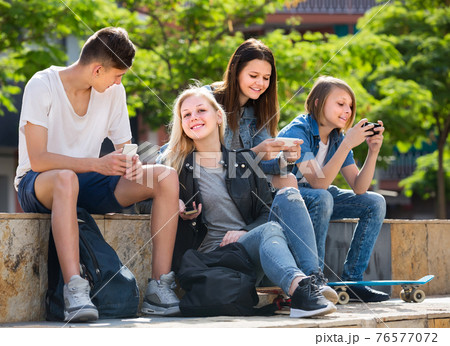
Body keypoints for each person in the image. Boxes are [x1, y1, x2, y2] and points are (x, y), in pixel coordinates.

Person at [14, 27, 180, 322]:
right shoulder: (42, 85)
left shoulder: (113, 91)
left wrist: (133, 165)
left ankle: (159, 285)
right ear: (97, 69)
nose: (120, 82)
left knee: (165, 177)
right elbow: (38, 160)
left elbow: (125, 147)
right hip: (39, 183)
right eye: (117, 75)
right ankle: (75, 289)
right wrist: (96, 163)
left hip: (87, 182)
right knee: (65, 177)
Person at [158, 85, 338, 318]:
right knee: (270, 228)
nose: (194, 118)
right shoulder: (176, 166)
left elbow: (264, 212)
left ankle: (313, 279)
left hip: (253, 253)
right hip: (214, 260)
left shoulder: (243, 162)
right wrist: (174, 204)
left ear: (219, 116)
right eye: (186, 115)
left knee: (288, 194)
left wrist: (245, 231)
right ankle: (301, 291)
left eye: (201, 110)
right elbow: (144, 203)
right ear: (181, 124)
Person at [278, 76, 389, 302]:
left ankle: (353, 282)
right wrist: (349, 142)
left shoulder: (338, 138)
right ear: (318, 102)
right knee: (322, 196)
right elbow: (318, 182)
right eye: (340, 104)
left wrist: (373, 151)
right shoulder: (297, 131)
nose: (347, 111)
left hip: (318, 196)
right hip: (284, 200)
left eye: (350, 106)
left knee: (375, 202)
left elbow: (359, 187)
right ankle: (313, 280)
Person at [207, 38, 300, 190]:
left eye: (266, 78)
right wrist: (254, 153)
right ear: (236, 71)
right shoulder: (207, 100)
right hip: (210, 180)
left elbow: (263, 165)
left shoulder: (258, 110)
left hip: (242, 182)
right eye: (253, 76)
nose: (260, 83)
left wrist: (286, 159)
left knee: (287, 179)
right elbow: (206, 161)